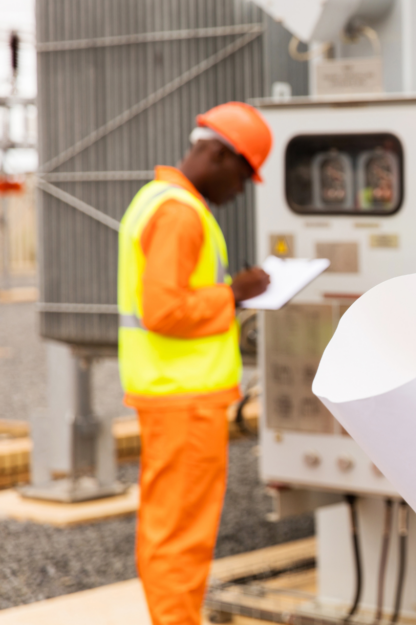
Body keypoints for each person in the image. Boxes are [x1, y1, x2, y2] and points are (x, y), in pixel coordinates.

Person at [117, 102, 273, 625]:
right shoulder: (180, 212)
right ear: (216, 153)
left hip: (176, 398)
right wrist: (236, 295)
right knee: (180, 536)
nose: (243, 188)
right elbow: (163, 311)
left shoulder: (160, 201)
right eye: (245, 173)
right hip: (182, 400)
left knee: (173, 529)